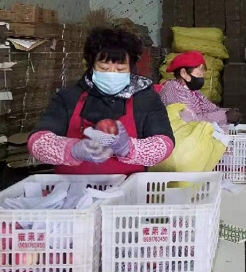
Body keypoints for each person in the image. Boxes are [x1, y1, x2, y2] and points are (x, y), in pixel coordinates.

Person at [28, 27, 175, 175]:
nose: (112, 73)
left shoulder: (146, 99)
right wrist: (73, 150)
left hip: (127, 186)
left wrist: (128, 148)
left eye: (120, 69)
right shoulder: (68, 97)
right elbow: (37, 142)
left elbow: (164, 144)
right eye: (104, 68)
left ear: (131, 68)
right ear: (91, 66)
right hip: (72, 186)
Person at [159, 51, 241, 128]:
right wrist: (225, 116)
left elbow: (208, 107)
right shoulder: (173, 91)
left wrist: (227, 112)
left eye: (202, 75)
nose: (201, 79)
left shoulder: (192, 91)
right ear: (183, 73)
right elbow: (192, 122)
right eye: (198, 74)